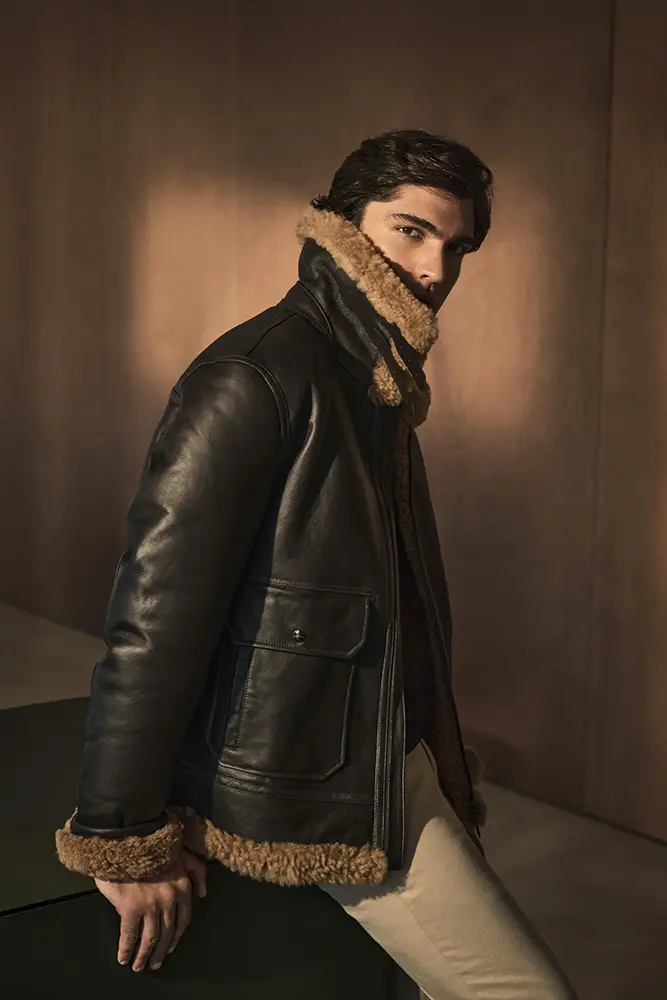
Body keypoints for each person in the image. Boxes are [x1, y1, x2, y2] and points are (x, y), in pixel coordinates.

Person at [55, 128, 578, 999]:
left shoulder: (372, 377)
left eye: (456, 248)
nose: (435, 269)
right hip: (312, 772)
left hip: (374, 744)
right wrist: (123, 833)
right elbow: (154, 621)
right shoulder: (254, 376)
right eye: (409, 230)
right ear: (342, 221)